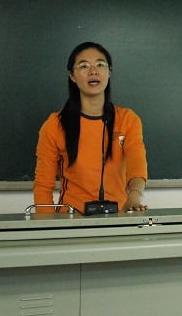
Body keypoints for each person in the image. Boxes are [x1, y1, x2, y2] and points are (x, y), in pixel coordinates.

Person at [33, 42, 148, 214]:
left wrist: (134, 198)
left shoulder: (127, 119)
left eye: (100, 65)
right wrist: (47, 225)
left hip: (119, 216)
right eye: (84, 66)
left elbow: (136, 161)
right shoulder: (55, 124)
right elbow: (43, 184)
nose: (93, 71)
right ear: (72, 76)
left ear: (109, 72)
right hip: (70, 219)